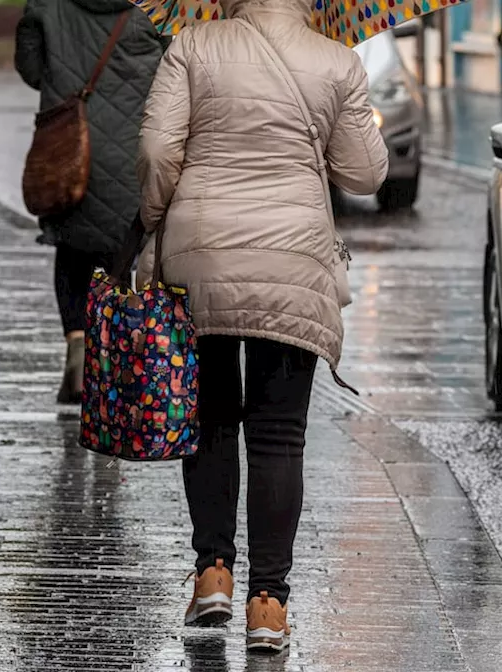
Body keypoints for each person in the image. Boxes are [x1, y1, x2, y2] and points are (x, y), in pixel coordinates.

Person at [136, 0, 389, 653]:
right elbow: (365, 173)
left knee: (211, 418)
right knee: (279, 436)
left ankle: (212, 573)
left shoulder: (192, 44)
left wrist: (156, 216)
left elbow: (159, 150)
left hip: (201, 256)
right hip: (294, 261)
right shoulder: (337, 60)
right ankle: (268, 606)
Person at [14, 0, 165, 403]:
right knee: (121, 254)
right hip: (130, 152)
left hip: (69, 150)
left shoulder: (46, 4)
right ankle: (114, 361)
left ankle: (79, 346)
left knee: (71, 251)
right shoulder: (155, 7)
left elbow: (31, 70)